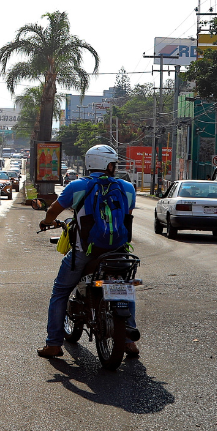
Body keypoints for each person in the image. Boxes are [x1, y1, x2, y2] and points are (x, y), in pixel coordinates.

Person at [37, 144, 139, 359]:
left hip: (86, 251)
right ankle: (129, 341)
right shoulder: (127, 188)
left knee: (60, 291)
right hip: (119, 251)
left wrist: (46, 222)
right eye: (113, 164)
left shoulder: (77, 186)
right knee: (124, 287)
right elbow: (126, 216)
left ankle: (54, 344)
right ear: (108, 165)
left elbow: (54, 210)